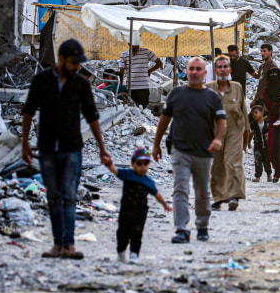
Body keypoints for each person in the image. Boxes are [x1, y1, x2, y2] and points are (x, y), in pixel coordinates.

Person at [22, 39, 112, 260]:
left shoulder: (80, 84)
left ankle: (69, 245)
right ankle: (57, 245)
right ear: (60, 59)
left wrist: (102, 148)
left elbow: (92, 116)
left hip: (72, 147)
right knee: (53, 196)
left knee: (69, 196)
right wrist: (24, 143)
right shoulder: (42, 80)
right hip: (47, 148)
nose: (77, 67)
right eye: (74, 63)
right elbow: (28, 112)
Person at [154, 57, 227, 244]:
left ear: (204, 73)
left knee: (202, 191)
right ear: (186, 71)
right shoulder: (176, 94)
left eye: (198, 69)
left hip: (204, 151)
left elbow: (221, 122)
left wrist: (218, 139)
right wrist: (156, 144)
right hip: (180, 150)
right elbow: (164, 120)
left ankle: (202, 225)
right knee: (180, 189)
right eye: (191, 69)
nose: (194, 72)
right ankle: (181, 229)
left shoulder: (212, 97)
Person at [106, 147, 172, 263]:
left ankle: (134, 253)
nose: (142, 167)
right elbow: (116, 171)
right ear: (132, 164)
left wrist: (165, 204)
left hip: (140, 212)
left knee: (137, 232)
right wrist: (109, 164)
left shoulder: (148, 181)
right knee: (122, 232)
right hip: (126, 209)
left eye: (145, 164)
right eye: (139, 164)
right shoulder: (128, 174)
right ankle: (121, 252)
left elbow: (156, 194)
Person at [205, 56, 249, 212]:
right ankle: (219, 198)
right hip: (215, 131)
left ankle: (234, 196)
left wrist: (247, 135)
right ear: (215, 71)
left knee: (232, 161)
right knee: (217, 165)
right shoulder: (208, 88)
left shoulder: (237, 87)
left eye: (225, 67)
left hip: (234, 131)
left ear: (229, 70)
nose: (223, 70)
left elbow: (243, 110)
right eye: (220, 67)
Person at [119, 43, 163, 108]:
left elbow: (159, 63)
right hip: (130, 87)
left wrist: (149, 71)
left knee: (144, 109)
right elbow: (121, 71)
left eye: (137, 43)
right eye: (134, 44)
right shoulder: (124, 55)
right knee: (132, 109)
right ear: (129, 43)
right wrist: (120, 85)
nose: (137, 45)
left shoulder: (146, 52)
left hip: (143, 87)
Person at [247, 105, 271, 183]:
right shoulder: (253, 124)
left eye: (256, 112)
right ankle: (258, 176)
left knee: (266, 160)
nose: (254, 115)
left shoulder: (267, 123)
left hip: (267, 145)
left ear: (262, 113)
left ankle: (269, 175)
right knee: (257, 161)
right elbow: (251, 133)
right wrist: (248, 142)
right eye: (253, 114)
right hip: (257, 145)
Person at [252, 44, 278, 108]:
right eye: (261, 51)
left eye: (264, 51)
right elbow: (261, 83)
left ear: (270, 52)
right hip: (260, 98)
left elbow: (274, 86)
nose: (262, 53)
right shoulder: (262, 66)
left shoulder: (272, 66)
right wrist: (254, 99)